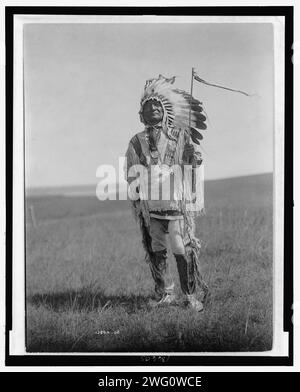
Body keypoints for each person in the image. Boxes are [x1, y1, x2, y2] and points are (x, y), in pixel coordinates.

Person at [125, 75, 208, 311]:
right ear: (141, 114)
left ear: (164, 110)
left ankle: (190, 296)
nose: (152, 110)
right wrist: (138, 194)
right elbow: (132, 171)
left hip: (175, 203)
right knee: (156, 249)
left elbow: (191, 163)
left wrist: (194, 156)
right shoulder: (136, 141)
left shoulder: (180, 135)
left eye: (156, 106)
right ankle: (165, 293)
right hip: (152, 208)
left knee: (181, 248)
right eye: (147, 107)